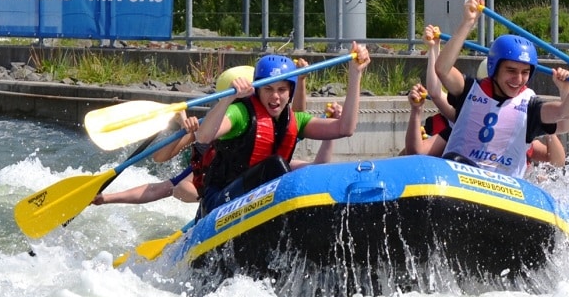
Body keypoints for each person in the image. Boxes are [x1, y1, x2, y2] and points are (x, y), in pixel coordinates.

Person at [92, 63, 339, 206]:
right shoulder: (214, 126)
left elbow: (294, 119)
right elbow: (159, 160)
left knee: (289, 165)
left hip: (250, 181)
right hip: (213, 184)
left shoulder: (265, 126)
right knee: (178, 188)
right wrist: (184, 130)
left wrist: (300, 81)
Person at [192, 43, 371, 214]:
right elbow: (203, 137)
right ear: (258, 90)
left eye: (282, 89)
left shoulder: (296, 121)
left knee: (298, 171)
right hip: (220, 202)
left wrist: (355, 73)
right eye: (268, 89)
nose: (275, 96)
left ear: (290, 92)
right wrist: (228, 99)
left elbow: (345, 128)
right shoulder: (240, 112)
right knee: (276, 165)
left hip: (259, 201)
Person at [434, 0, 569, 178]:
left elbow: (565, 114)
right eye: (511, 70)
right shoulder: (470, 89)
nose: (518, 79)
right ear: (494, 68)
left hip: (503, 187)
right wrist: (468, 22)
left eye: (525, 72)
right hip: (458, 175)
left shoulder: (530, 107)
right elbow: (442, 69)